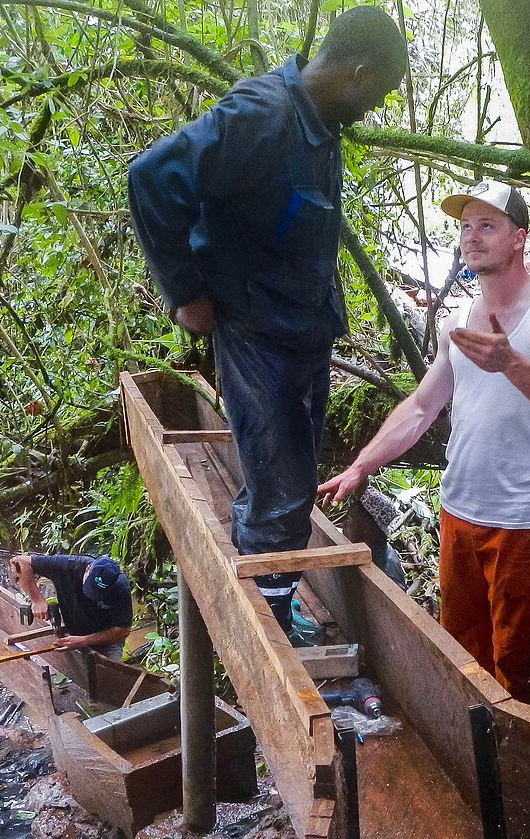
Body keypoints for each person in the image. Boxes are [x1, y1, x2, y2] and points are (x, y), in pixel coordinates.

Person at [126, 8, 407, 631]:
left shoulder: (319, 121)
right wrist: (186, 291)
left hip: (303, 327)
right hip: (256, 330)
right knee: (283, 490)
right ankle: (270, 624)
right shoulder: (262, 116)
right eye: (378, 95)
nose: (374, 109)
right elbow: (151, 178)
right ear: (357, 73)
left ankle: (264, 582)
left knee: (286, 474)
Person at [318, 180, 530, 704]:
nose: (472, 237)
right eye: (466, 227)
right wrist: (362, 464)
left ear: (519, 237)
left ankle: (517, 766)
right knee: (463, 656)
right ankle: (475, 756)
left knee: (515, 666)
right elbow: (421, 407)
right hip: (460, 510)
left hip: (525, 518)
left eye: (486, 225)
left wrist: (511, 361)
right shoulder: (460, 321)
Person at [10, 553, 133, 660]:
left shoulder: (121, 587)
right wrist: (36, 599)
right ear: (87, 570)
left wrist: (83, 640)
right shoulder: (68, 566)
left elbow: (123, 630)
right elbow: (18, 561)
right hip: (73, 627)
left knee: (110, 677)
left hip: (106, 639)